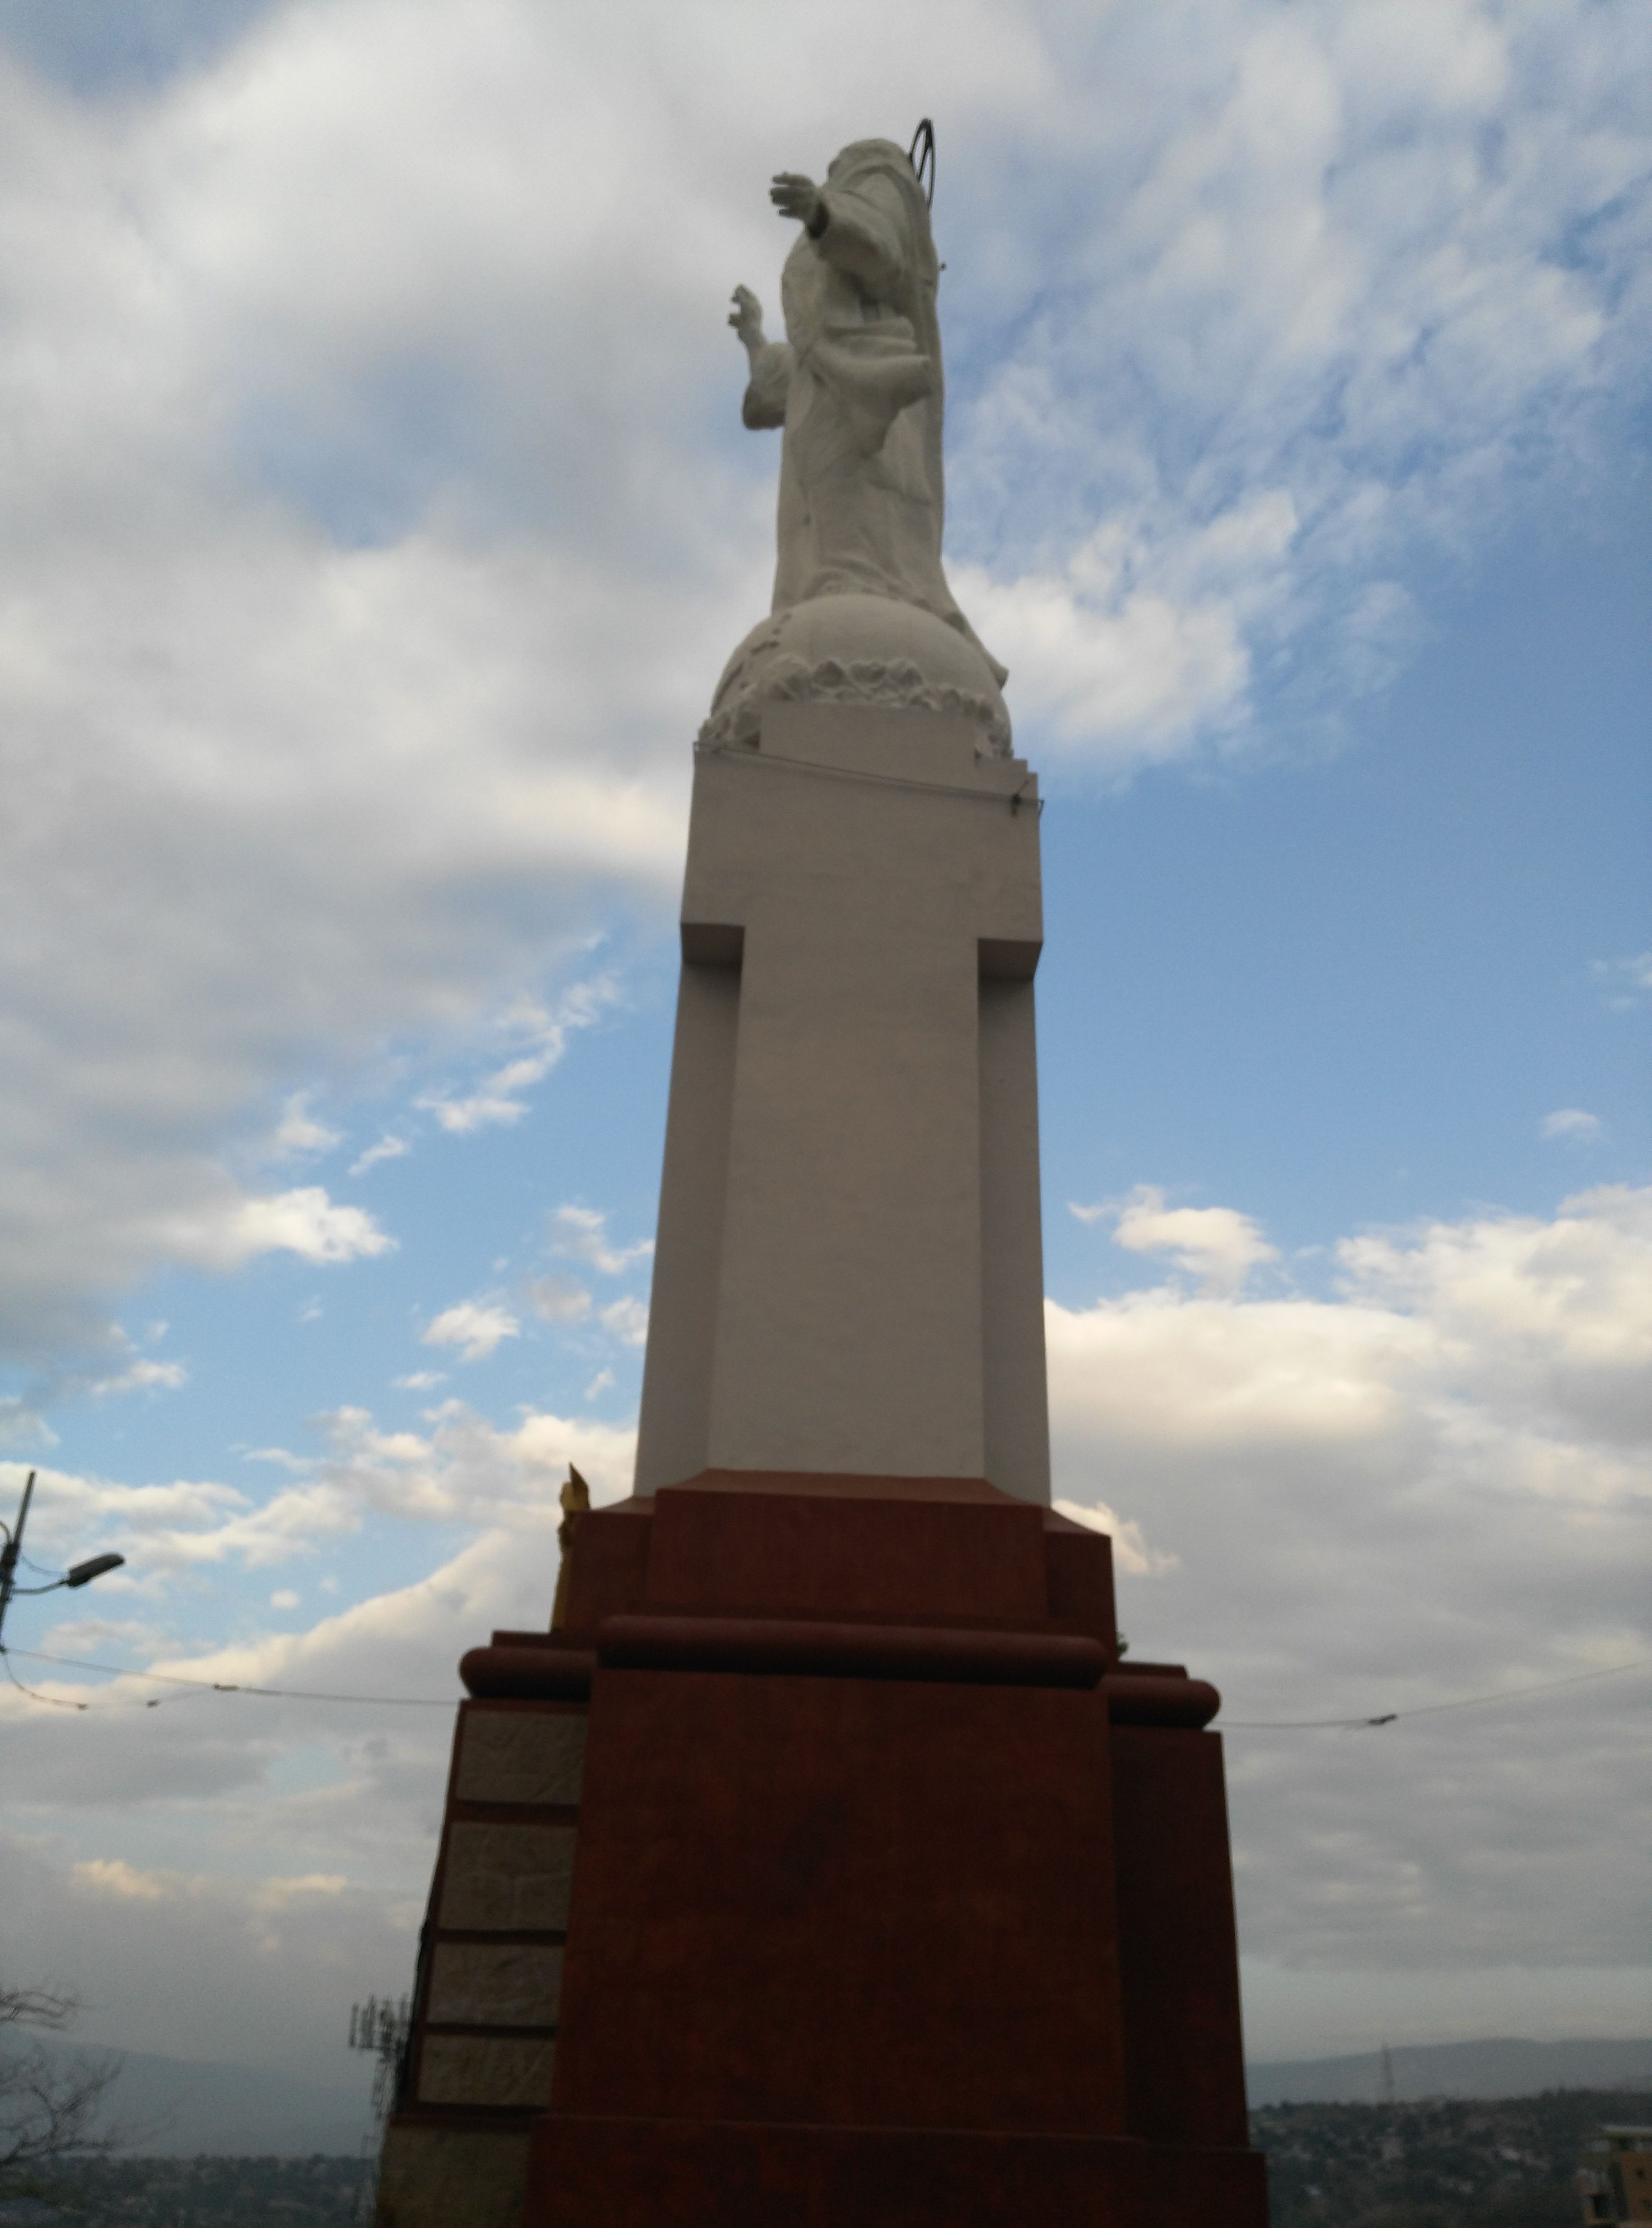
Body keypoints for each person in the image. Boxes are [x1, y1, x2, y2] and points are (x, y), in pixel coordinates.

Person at [730, 139, 1005, 683]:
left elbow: (881, 253)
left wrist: (825, 215)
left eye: (841, 175)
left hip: (868, 417)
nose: (836, 177)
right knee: (817, 571)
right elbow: (786, 378)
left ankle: (863, 615)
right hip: (827, 412)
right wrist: (754, 338)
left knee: (857, 571)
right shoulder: (827, 302)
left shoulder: (878, 182)